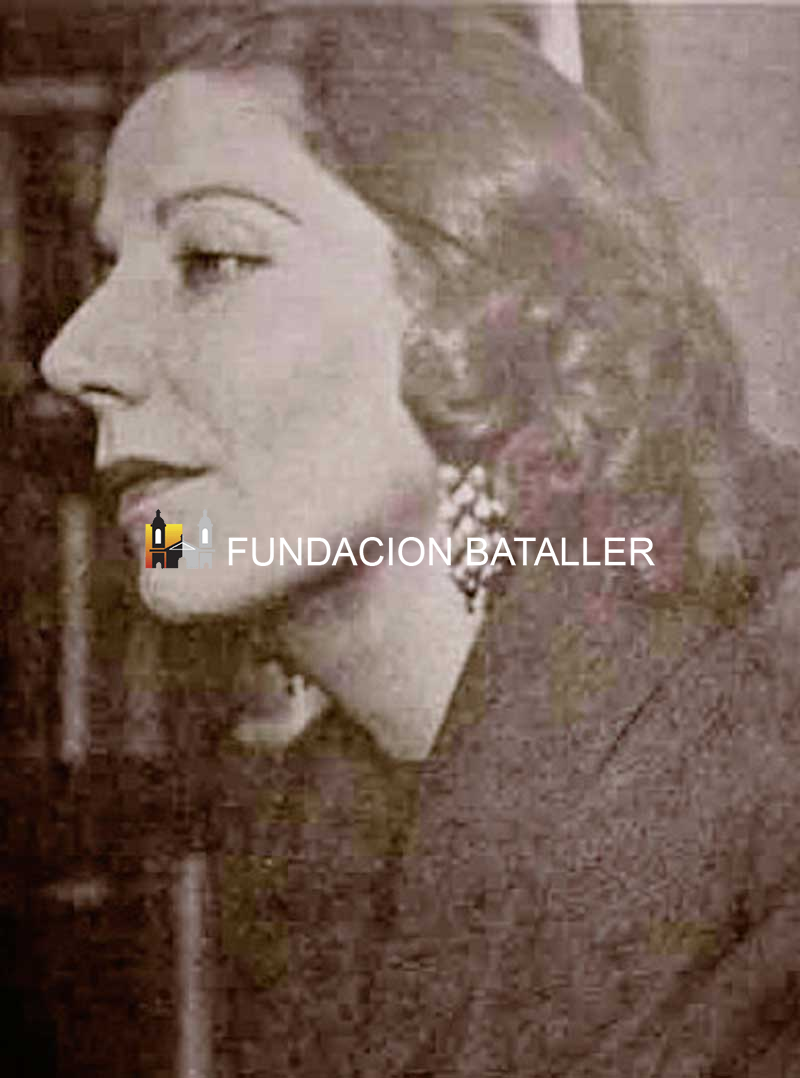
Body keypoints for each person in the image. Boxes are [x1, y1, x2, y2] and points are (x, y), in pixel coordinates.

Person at [40, 6, 800, 1075]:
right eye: (107, 271)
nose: (73, 357)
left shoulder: (747, 774)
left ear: (494, 316)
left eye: (210, 258)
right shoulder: (314, 832)